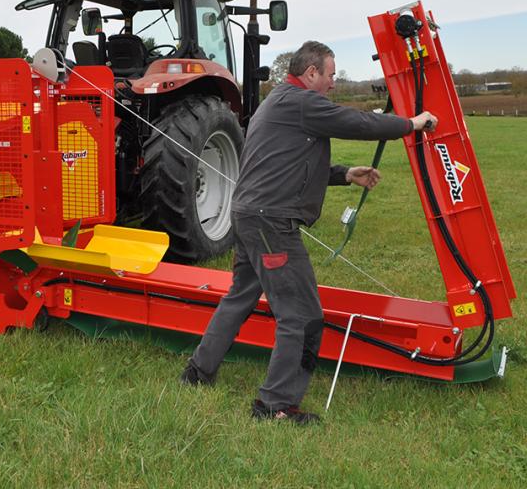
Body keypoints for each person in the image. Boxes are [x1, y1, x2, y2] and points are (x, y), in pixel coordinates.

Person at [180, 41, 438, 425]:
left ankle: (197, 373)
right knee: (301, 315)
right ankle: (275, 406)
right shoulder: (301, 102)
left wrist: (346, 174)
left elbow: (287, 163)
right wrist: (411, 123)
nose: (334, 83)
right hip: (272, 223)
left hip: (251, 216)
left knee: (239, 299)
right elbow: (359, 123)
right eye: (331, 75)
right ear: (311, 73)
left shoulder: (280, 101)